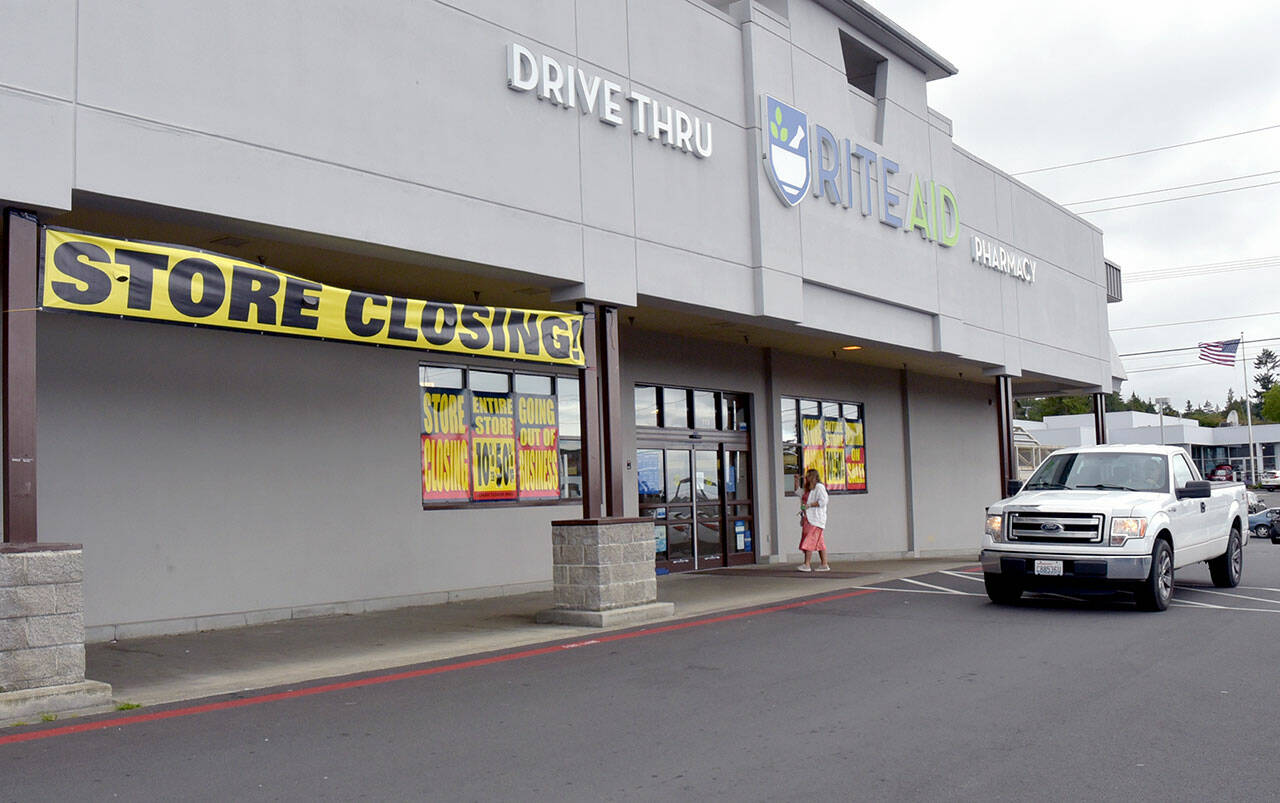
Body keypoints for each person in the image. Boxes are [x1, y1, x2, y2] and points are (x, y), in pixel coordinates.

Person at [797, 468, 830, 572]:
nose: (806, 478)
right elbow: (798, 492)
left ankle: (807, 564)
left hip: (816, 519)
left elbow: (823, 501)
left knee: (809, 540)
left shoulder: (819, 487)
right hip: (808, 518)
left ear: (813, 477)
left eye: (808, 476)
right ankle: (824, 564)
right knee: (819, 542)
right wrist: (796, 480)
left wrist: (809, 505)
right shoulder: (808, 489)